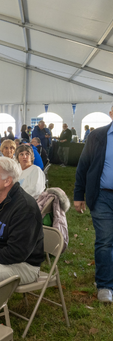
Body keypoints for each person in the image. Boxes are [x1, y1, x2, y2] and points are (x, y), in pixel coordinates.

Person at [74, 106, 113, 302]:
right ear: (111, 114)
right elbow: (83, 165)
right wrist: (78, 194)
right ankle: (105, 285)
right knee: (105, 240)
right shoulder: (97, 136)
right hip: (102, 196)